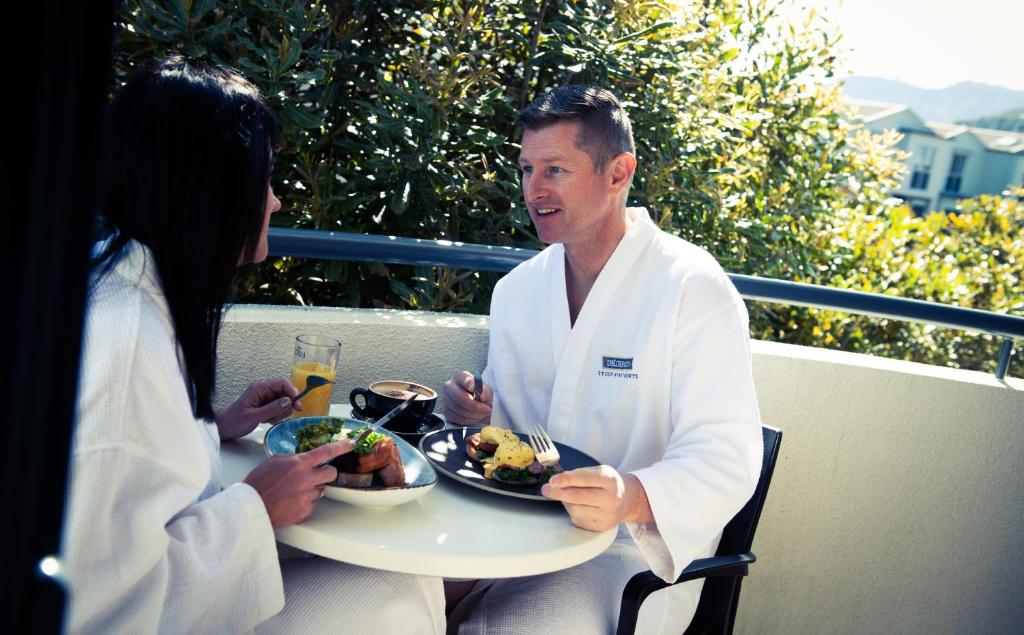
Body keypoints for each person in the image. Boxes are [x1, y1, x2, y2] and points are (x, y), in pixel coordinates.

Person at [61, 57, 445, 634]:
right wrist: (253, 509)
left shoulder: (123, 284)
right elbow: (95, 609)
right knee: (396, 594)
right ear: (210, 191)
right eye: (263, 180)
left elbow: (128, 480)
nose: (274, 202)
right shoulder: (121, 344)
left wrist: (213, 425)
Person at [443, 85, 763, 633]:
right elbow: (507, 435)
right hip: (509, 524)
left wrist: (632, 497)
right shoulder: (517, 290)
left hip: (623, 550)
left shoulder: (692, 288)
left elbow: (728, 457)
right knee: (395, 595)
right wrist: (476, 416)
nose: (532, 189)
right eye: (525, 169)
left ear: (618, 173)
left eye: (555, 170)